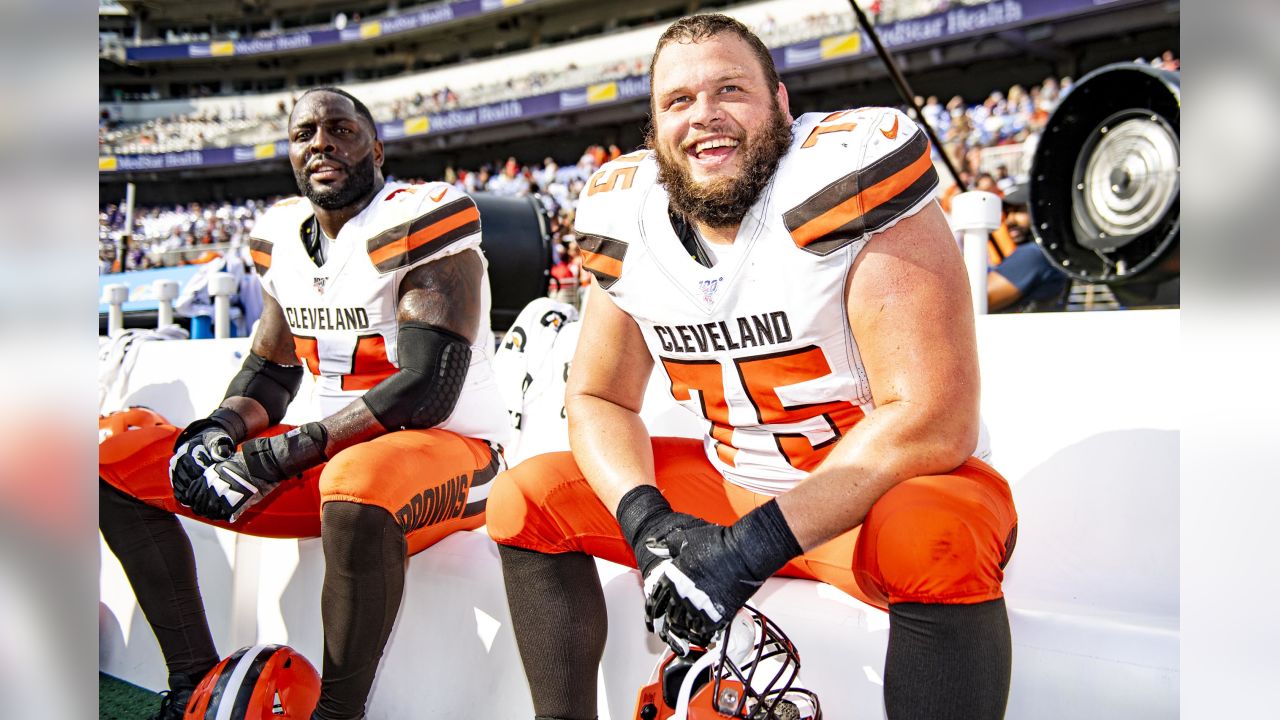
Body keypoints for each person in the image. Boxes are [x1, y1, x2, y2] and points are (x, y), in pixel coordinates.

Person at [485, 14, 1019, 720]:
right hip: (734, 486)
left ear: (781, 102)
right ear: (654, 125)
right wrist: (648, 524)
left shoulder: (846, 171)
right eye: (678, 101)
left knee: (939, 539)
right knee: (527, 498)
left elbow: (932, 419)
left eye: (730, 90)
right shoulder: (626, 214)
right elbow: (598, 397)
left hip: (871, 503)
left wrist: (747, 550)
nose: (705, 115)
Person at [98, 87, 510, 720]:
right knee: (112, 456)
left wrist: (285, 452)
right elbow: (270, 372)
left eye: (340, 129)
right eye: (305, 133)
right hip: (332, 451)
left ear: (375, 148)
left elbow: (428, 389)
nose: (321, 142)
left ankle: (336, 714)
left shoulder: (424, 216)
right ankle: (192, 681)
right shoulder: (280, 237)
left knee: (355, 481)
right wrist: (218, 429)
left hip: (454, 456)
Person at [987, 183, 1071, 312]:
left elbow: (976, 301)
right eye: (1007, 212)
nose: (1009, 220)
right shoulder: (1049, 251)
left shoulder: (1034, 253)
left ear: (1041, 211)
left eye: (1018, 210)